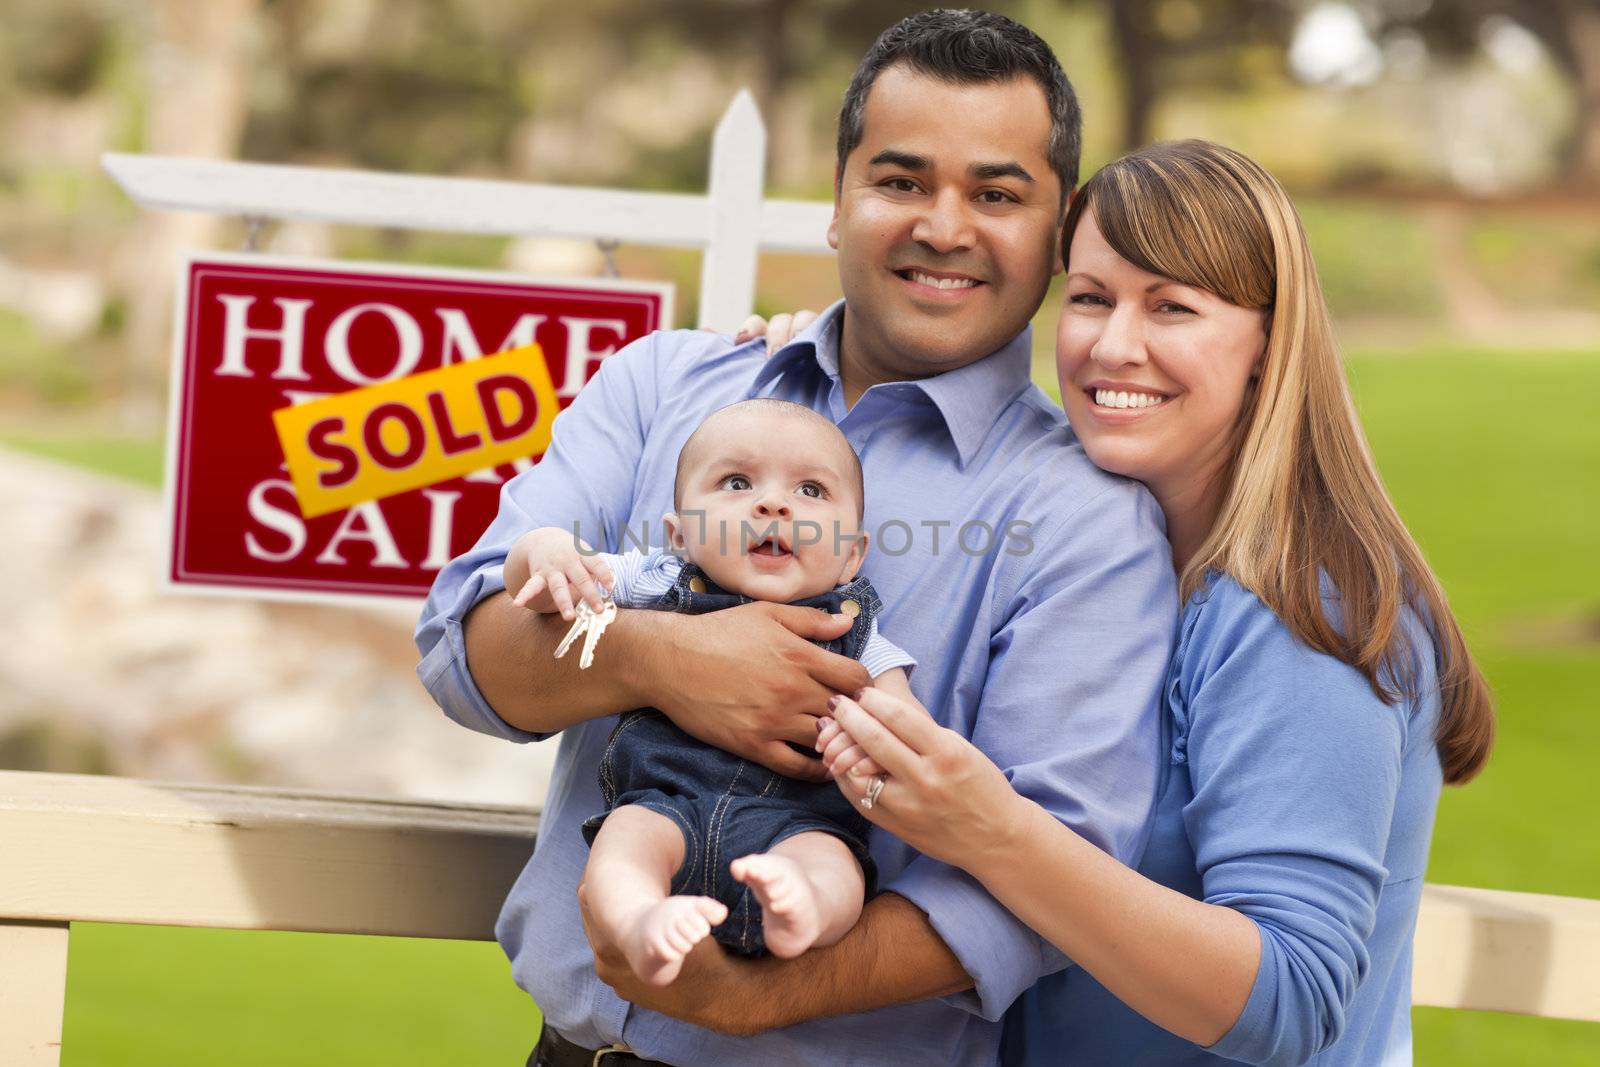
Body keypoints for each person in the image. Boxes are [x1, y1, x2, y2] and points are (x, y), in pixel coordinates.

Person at [414, 10, 1178, 1066]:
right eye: (901, 181)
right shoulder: (662, 386)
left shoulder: (1088, 520)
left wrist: (758, 996)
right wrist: (664, 656)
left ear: (1057, 233)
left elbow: (1052, 878)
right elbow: (463, 653)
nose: (942, 226)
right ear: (836, 203)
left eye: (996, 194)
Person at [813, 139, 1496, 1067]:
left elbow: (1292, 999)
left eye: (1172, 306)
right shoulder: (1102, 563)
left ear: (1268, 344)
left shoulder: (1298, 608)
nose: (1112, 344)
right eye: (1090, 296)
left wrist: (992, 830)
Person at [504, 399, 922, 985]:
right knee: (622, 849)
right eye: (736, 481)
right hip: (663, 804)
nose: (773, 505)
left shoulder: (856, 627)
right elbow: (544, 582)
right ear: (680, 533)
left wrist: (885, 742)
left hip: (798, 823)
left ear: (852, 554)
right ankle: (639, 923)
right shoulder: (655, 579)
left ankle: (801, 909)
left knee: (835, 869)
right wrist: (545, 551)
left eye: (811, 491)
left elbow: (902, 723)